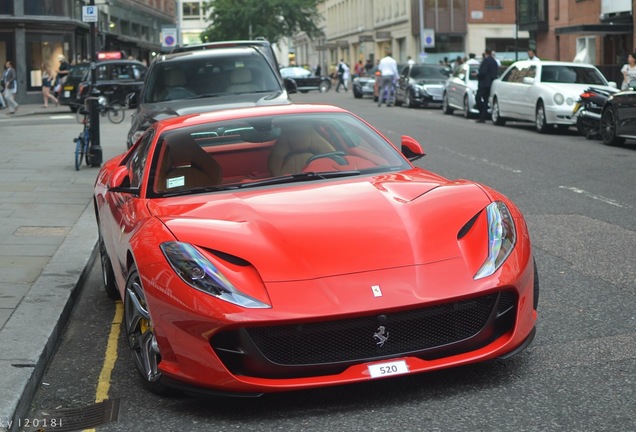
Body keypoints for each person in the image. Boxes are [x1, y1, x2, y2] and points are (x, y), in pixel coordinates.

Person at [475, 48, 499, 123]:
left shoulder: (486, 61)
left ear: (485, 53)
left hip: (484, 83)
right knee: (485, 100)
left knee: (478, 98)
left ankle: (483, 112)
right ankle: (483, 116)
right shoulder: (494, 61)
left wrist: (477, 75)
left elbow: (483, 72)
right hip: (491, 83)